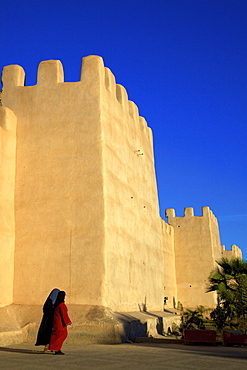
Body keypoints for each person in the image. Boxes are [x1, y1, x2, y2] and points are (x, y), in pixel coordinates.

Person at [49, 290, 72, 355]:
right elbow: (64, 315)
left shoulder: (57, 304)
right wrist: (68, 322)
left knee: (58, 335)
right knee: (60, 335)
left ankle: (55, 348)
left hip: (57, 323)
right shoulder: (61, 305)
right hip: (60, 324)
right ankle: (56, 349)